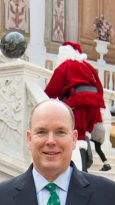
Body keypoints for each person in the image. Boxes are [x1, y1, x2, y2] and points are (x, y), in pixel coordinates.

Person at [44, 42, 106, 171]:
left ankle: (80, 169)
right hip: (94, 104)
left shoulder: (65, 65)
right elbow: (100, 87)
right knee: (82, 135)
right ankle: (83, 166)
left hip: (78, 104)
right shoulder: (88, 66)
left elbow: (52, 89)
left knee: (76, 136)